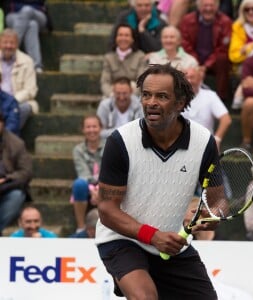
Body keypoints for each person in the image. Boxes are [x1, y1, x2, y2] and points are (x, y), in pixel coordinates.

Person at [96, 63, 219, 299]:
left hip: (171, 243)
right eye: (146, 95)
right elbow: (107, 211)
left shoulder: (204, 142)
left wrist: (209, 217)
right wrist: (153, 236)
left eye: (162, 96)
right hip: (122, 239)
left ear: (180, 103)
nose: (151, 102)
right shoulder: (120, 141)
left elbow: (216, 200)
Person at [179, 0, 232, 101]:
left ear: (217, 7)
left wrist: (205, 66)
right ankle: (184, 98)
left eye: (211, 5)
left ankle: (221, 99)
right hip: (193, 58)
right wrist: (196, 64)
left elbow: (222, 48)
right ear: (198, 6)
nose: (208, 9)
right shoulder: (187, 20)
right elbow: (185, 44)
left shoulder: (225, 21)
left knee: (223, 58)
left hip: (214, 61)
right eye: (205, 5)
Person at [182, 66, 232, 150]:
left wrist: (217, 139)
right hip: (181, 145)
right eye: (186, 78)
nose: (189, 81)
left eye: (192, 77)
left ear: (199, 80)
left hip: (205, 145)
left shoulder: (210, 96)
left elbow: (226, 119)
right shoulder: (175, 97)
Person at [0, 112, 32, 236]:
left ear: (3, 124)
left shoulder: (16, 143)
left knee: (17, 196)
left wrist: (6, 179)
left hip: (8, 188)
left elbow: (26, 172)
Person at [0, 29, 39, 128]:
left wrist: (12, 101)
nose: (8, 46)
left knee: (24, 108)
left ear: (17, 44)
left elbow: (31, 90)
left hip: (17, 101)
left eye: (12, 43)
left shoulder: (27, 61)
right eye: (5, 42)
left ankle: (8, 137)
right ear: (0, 43)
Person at [71, 114, 103, 234]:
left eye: (94, 126)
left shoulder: (110, 145)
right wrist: (92, 190)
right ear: (83, 129)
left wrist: (99, 188)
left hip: (105, 185)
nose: (91, 130)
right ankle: (80, 227)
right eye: (88, 127)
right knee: (79, 184)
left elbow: (109, 171)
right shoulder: (78, 150)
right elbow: (82, 173)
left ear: (100, 128)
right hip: (86, 187)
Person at [100, 23, 147, 98]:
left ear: (132, 39)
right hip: (113, 94)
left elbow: (141, 82)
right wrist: (112, 95)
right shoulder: (108, 58)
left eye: (127, 35)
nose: (123, 38)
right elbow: (105, 82)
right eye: (120, 35)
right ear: (116, 38)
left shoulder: (140, 56)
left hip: (134, 95)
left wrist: (131, 97)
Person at [3, 0, 52, 72]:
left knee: (27, 10)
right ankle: (36, 66)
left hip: (37, 14)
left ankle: (9, 52)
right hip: (13, 15)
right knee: (32, 25)